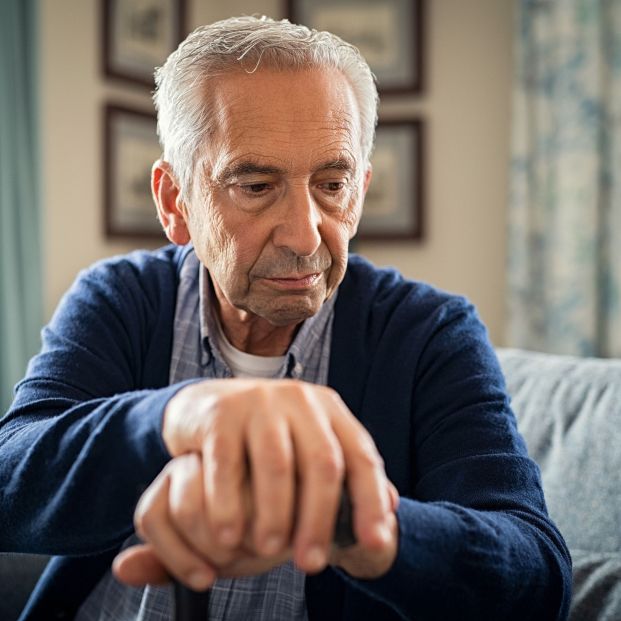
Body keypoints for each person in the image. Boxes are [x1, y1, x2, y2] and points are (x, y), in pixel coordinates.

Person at [0, 15, 571, 621]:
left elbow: (537, 576)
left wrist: (351, 517)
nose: (305, 237)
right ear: (175, 202)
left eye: (332, 183)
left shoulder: (430, 333)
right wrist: (183, 414)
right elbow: (12, 480)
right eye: (255, 184)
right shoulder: (121, 297)